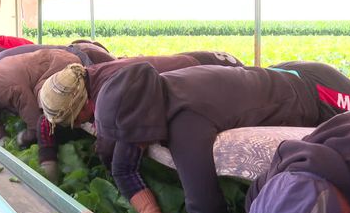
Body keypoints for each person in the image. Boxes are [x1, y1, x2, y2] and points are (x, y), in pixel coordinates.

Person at [92, 61, 350, 213]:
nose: (131, 143)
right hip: (280, 76)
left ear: (144, 118)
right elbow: (122, 165)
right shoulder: (148, 94)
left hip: (315, 89)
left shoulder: (186, 121)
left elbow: (205, 207)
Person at [37, 51, 245, 182]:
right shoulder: (85, 76)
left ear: (81, 105)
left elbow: (109, 149)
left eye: (75, 119)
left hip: (214, 65)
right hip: (195, 62)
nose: (77, 124)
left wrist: (113, 177)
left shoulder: (107, 95)